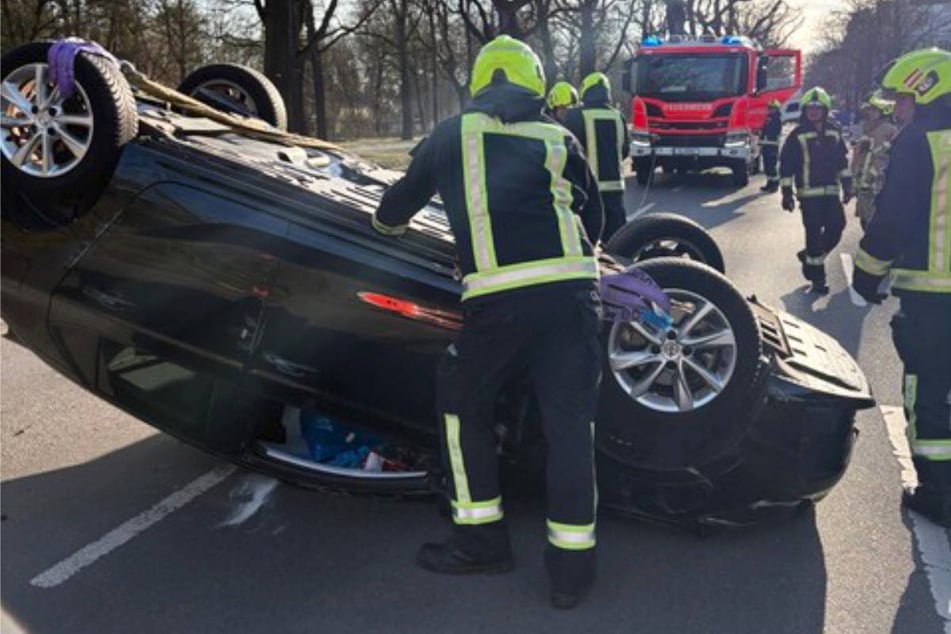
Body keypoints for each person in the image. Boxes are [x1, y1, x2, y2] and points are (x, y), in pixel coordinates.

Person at [371, 35, 605, 609]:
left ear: (478, 84)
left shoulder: (452, 134)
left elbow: (391, 214)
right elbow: (595, 218)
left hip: (499, 307)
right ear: (535, 84)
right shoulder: (560, 136)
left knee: (460, 401)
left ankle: (480, 542)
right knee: (571, 430)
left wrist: (403, 225)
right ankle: (571, 573)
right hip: (573, 300)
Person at [852, 47, 951, 527]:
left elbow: (893, 218)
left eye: (904, 100)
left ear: (926, 90)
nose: (899, 111)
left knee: (928, 390)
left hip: (933, 294)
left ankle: (938, 492)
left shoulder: (918, 144)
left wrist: (866, 273)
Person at [778, 86, 853, 295]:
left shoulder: (834, 131)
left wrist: (847, 185)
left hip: (831, 192)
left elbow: (842, 161)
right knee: (813, 234)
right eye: (810, 108)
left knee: (837, 228)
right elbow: (786, 165)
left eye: (818, 108)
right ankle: (818, 278)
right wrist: (786, 194)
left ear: (825, 110)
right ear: (804, 110)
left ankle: (809, 256)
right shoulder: (797, 134)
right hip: (808, 194)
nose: (813, 111)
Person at [563, 72, 630, 241]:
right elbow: (625, 151)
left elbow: (567, 154)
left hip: (588, 190)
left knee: (587, 241)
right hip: (615, 190)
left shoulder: (574, 115)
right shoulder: (619, 116)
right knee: (618, 242)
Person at [851, 91, 898, 230]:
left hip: (875, 188)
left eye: (873, 110)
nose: (869, 113)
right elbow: (861, 157)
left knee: (874, 226)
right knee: (866, 222)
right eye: (868, 110)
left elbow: (882, 159)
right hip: (865, 188)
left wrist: (872, 180)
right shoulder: (870, 129)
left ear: (883, 111)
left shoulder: (887, 130)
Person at [759, 99, 782, 193]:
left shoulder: (777, 119)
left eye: (773, 108)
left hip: (772, 146)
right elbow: (764, 130)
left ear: (777, 109)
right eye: (770, 108)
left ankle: (775, 185)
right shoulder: (768, 119)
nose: (771, 110)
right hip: (766, 146)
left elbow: (772, 132)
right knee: (767, 167)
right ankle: (769, 183)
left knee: (772, 167)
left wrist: (764, 136)